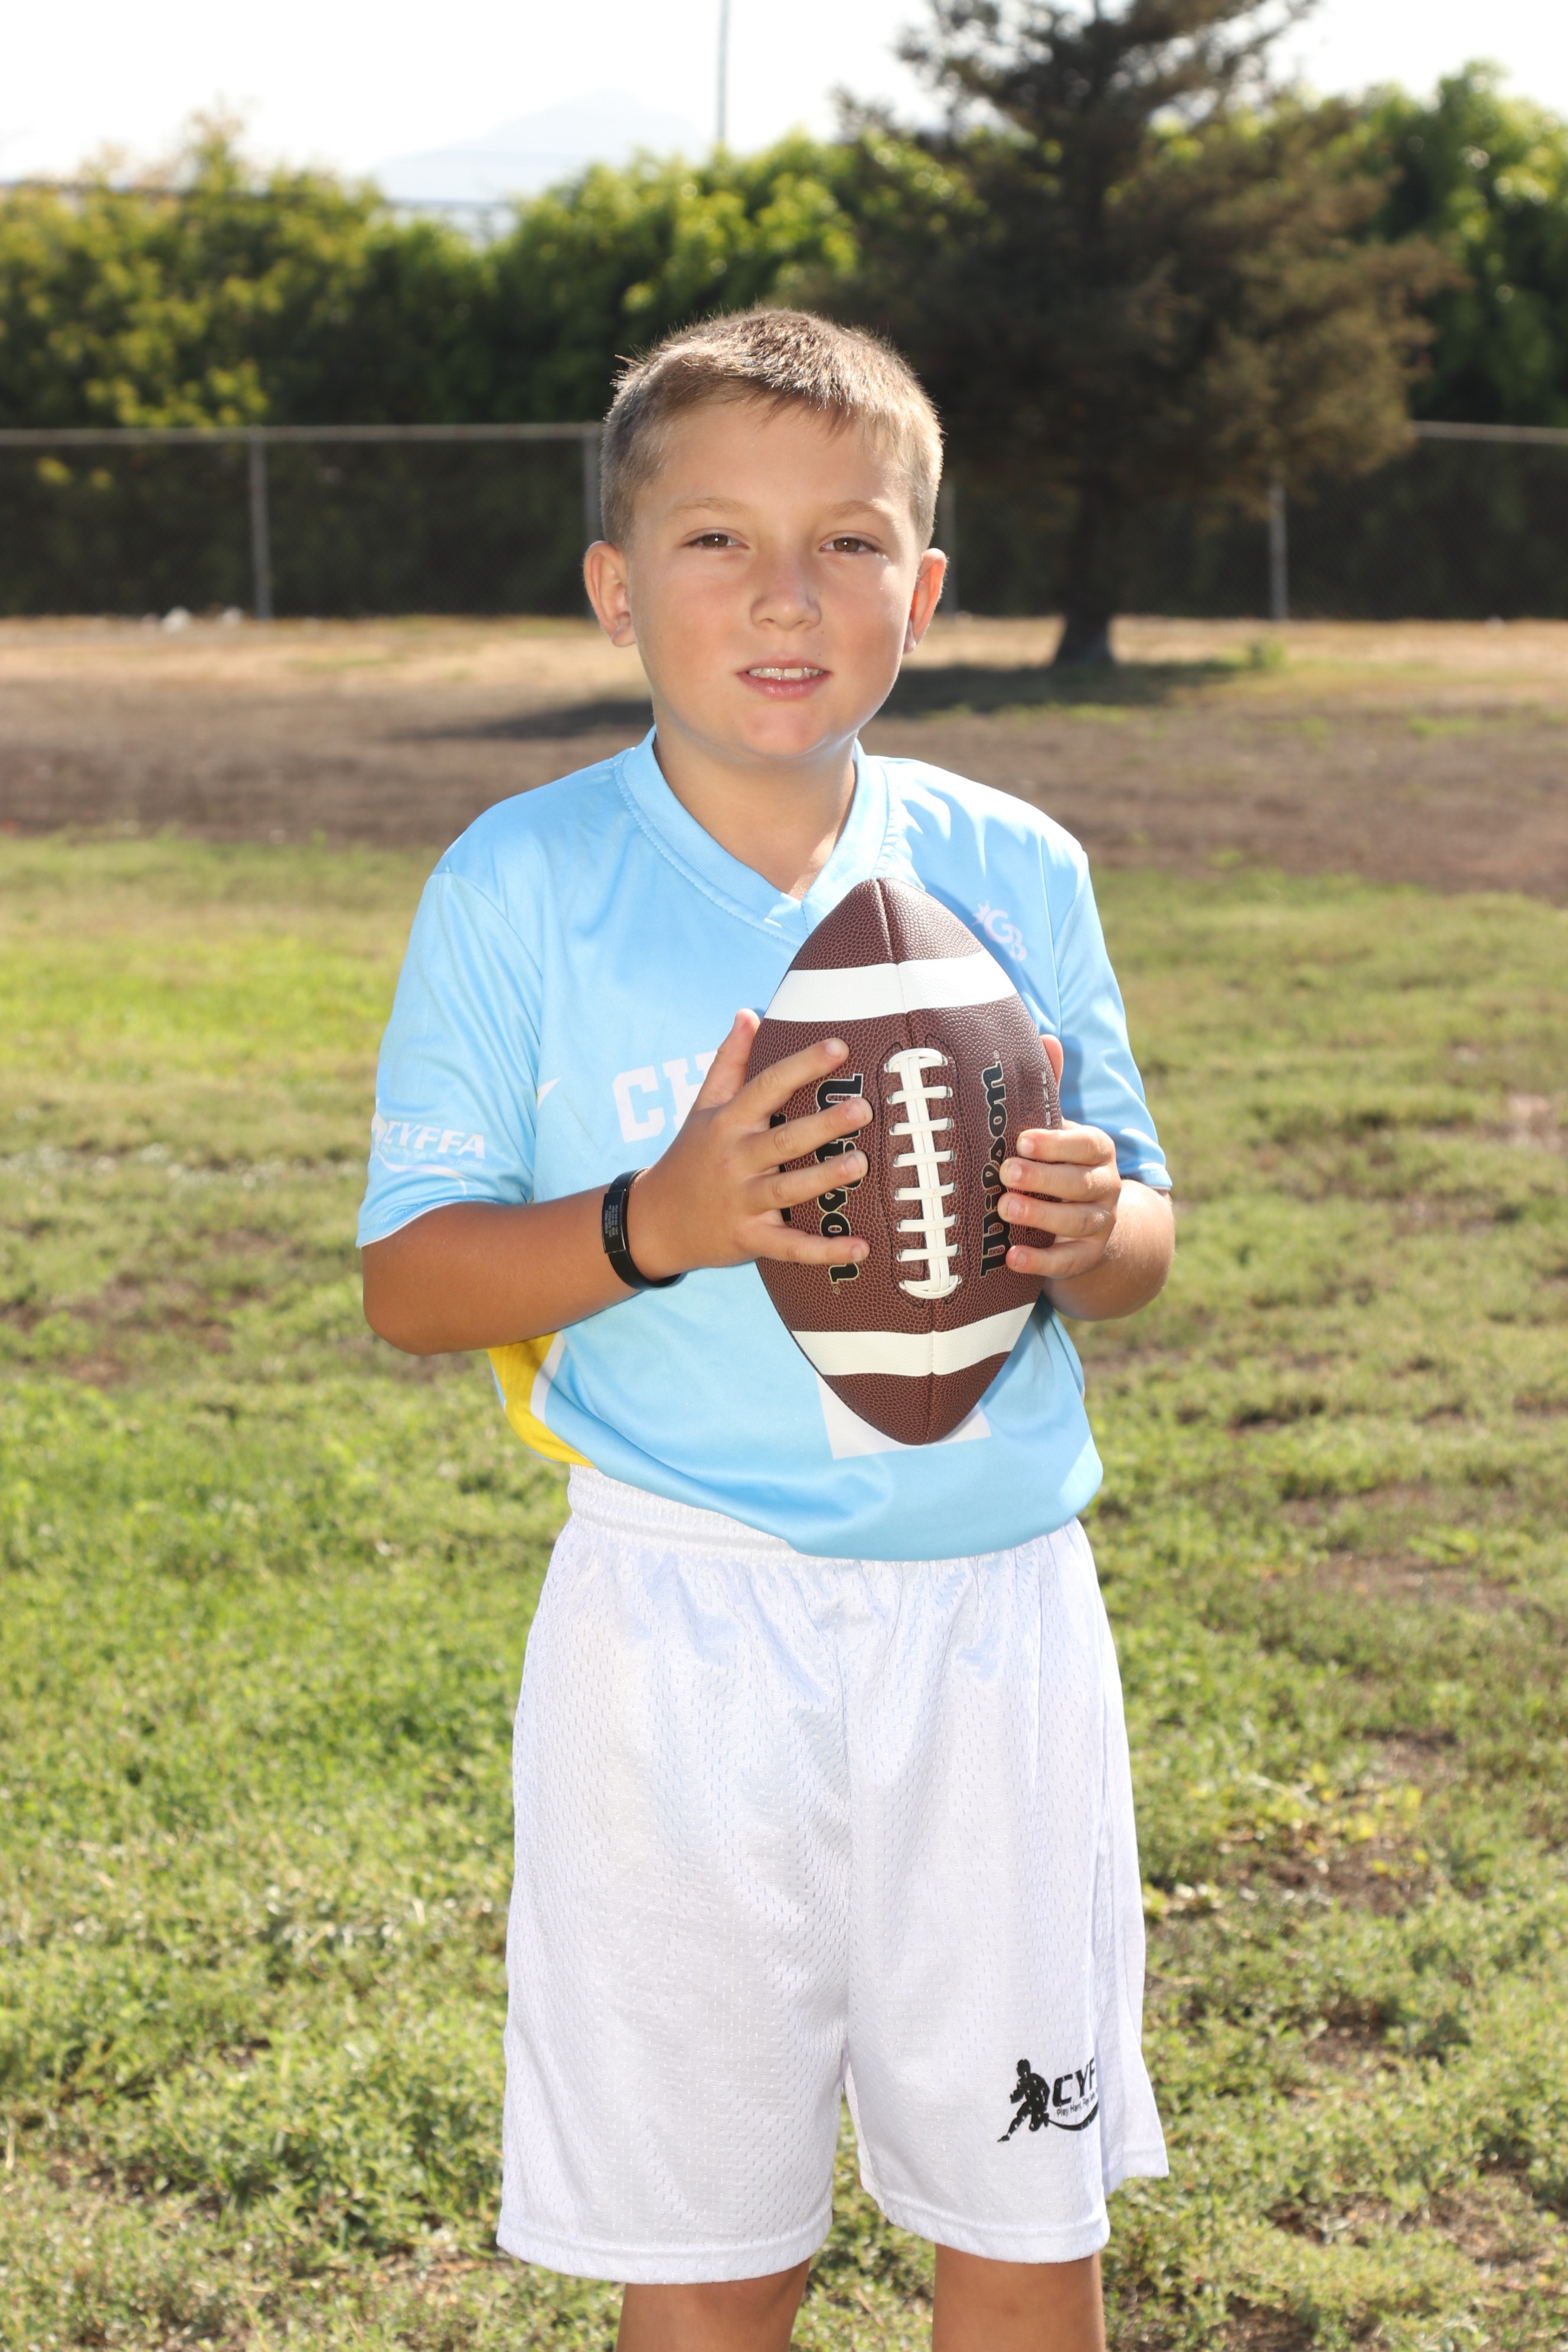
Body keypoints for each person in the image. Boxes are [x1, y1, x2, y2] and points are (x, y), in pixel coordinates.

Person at [358, 308, 1174, 2352]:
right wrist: (661, 1223)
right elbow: (410, 1282)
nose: (787, 594)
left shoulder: (1013, 866)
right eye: (717, 540)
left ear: (928, 590)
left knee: (1026, 2225)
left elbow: (1144, 1236)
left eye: (851, 542)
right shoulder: (519, 882)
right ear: (615, 586)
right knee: (714, 2254)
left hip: (995, 1621)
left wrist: (1096, 1230)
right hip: (681, 1628)